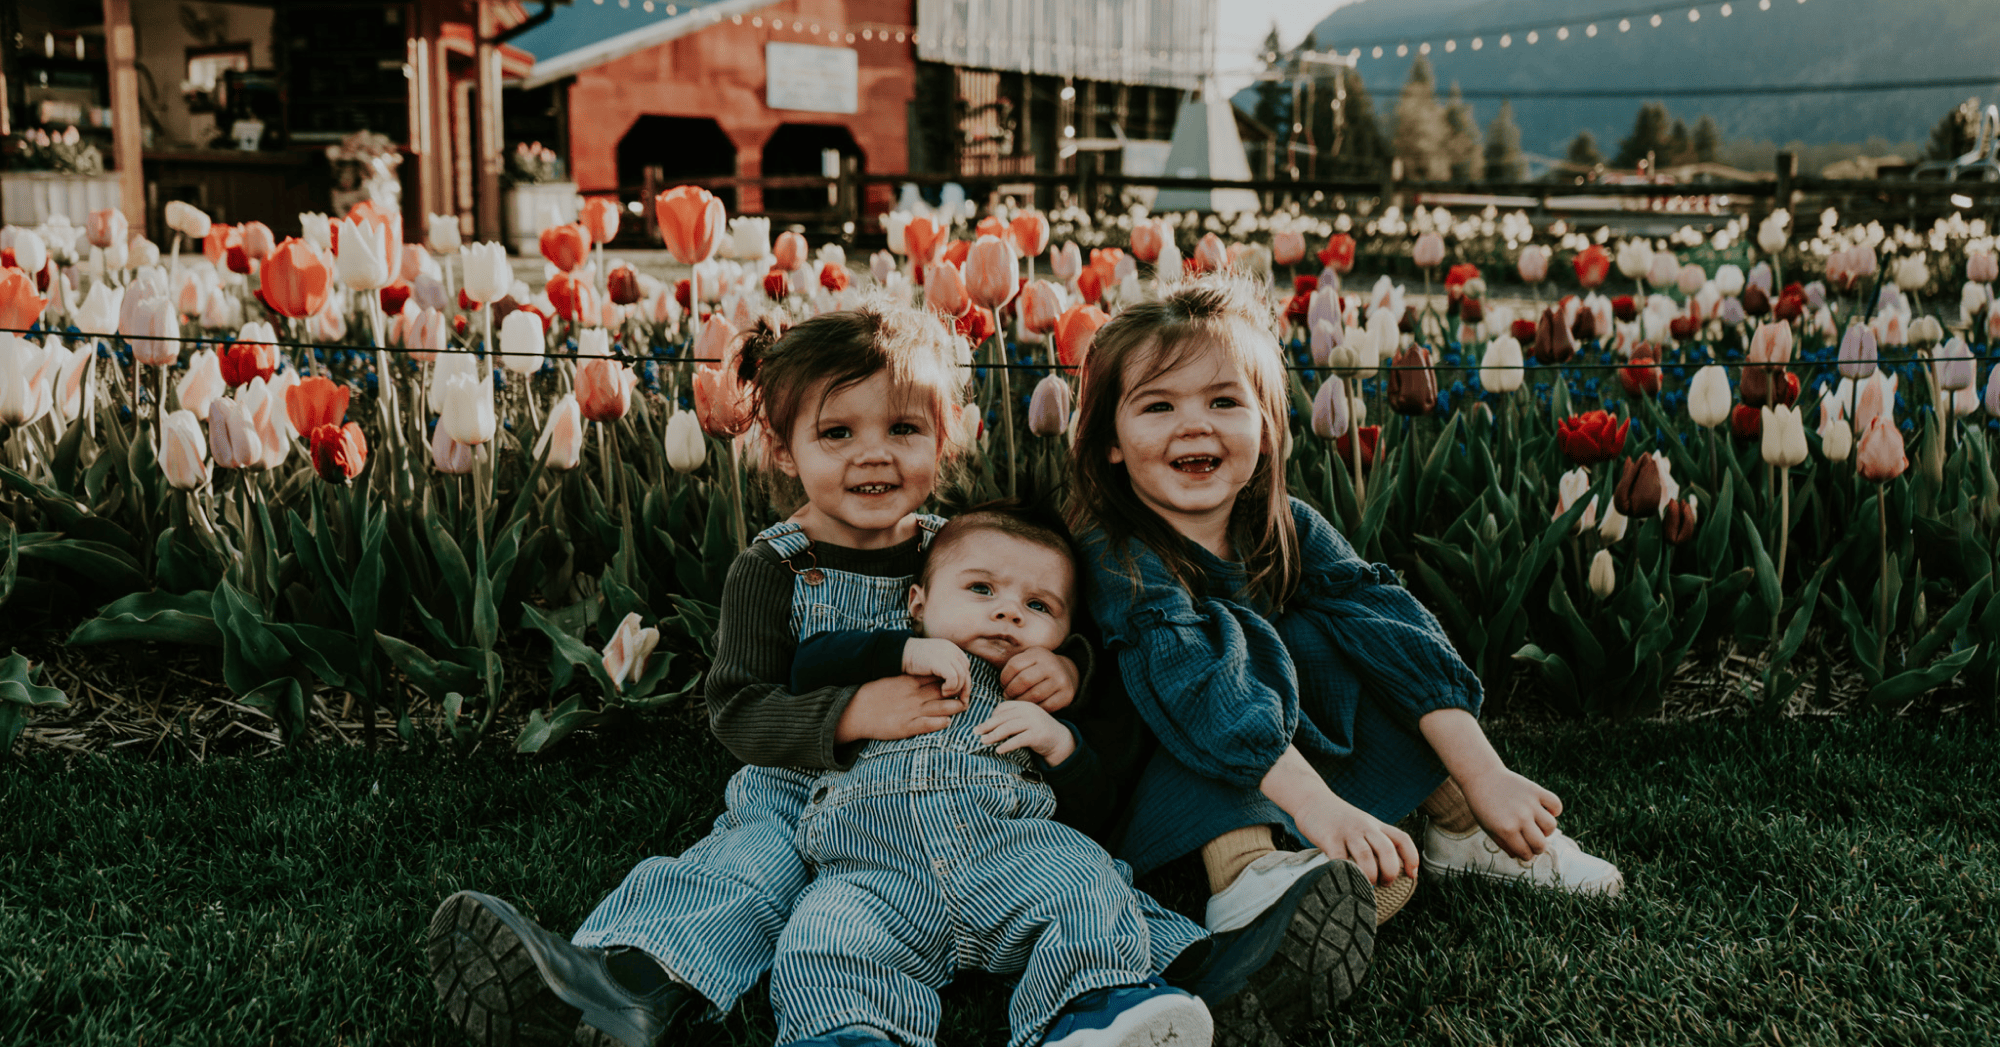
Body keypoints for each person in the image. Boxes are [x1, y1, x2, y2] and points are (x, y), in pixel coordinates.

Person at [426, 298, 1343, 1047]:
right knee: (742, 870)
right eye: (838, 432)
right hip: (803, 784)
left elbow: (1054, 613)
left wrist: (1066, 667)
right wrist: (854, 708)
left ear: (946, 440)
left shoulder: (969, 548)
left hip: (973, 781)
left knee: (1085, 877)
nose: (874, 454)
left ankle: (1208, 978)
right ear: (783, 449)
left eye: (904, 428)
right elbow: (737, 708)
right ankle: (617, 981)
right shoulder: (772, 567)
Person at [1063, 278, 1623, 1029]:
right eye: (1159, 405)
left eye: (1224, 402)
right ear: (1108, 438)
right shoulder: (1117, 549)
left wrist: (1481, 771)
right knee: (1220, 660)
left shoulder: (1282, 521)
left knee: (1352, 629)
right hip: (1173, 761)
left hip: (1284, 756)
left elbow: (1392, 622)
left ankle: (1461, 825)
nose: (1193, 426)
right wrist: (1320, 806)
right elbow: (1193, 683)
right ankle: (1252, 876)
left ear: (1266, 424)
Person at [780, 506, 1210, 1047]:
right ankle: (850, 1032)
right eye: (982, 589)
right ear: (918, 604)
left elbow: (1095, 812)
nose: (1009, 613)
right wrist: (904, 651)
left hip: (1004, 855)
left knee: (1086, 883)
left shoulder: (1040, 694)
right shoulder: (884, 654)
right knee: (824, 935)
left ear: (1065, 632)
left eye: (1038, 605)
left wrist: (1060, 743)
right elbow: (806, 668)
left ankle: (1088, 1007)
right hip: (875, 869)